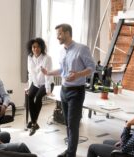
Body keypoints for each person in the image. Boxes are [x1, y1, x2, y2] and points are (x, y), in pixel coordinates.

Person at [41, 24, 95, 157]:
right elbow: (62, 71)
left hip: (77, 91)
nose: (57, 37)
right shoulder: (61, 51)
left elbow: (92, 67)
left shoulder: (82, 49)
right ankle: (69, 150)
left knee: (73, 124)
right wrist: (48, 73)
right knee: (67, 123)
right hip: (64, 90)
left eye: (59, 34)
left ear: (67, 33)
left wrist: (78, 74)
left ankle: (71, 154)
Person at [26, 38, 54, 136]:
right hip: (35, 83)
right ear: (31, 48)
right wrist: (29, 87)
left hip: (47, 83)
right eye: (34, 47)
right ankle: (34, 122)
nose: (36, 49)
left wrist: (48, 90)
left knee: (38, 98)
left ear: (41, 47)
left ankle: (33, 123)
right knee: (29, 96)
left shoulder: (47, 58)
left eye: (38, 47)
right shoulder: (30, 57)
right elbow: (30, 73)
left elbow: (48, 75)